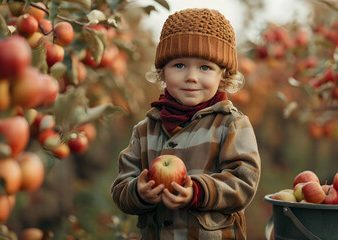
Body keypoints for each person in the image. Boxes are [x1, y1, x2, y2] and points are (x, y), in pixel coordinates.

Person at [111, 8, 261, 240]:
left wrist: (199, 192)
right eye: (179, 65)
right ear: (162, 72)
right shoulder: (145, 130)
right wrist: (138, 193)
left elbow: (243, 182)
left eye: (205, 67)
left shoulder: (231, 124)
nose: (191, 76)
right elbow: (121, 186)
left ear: (223, 75)